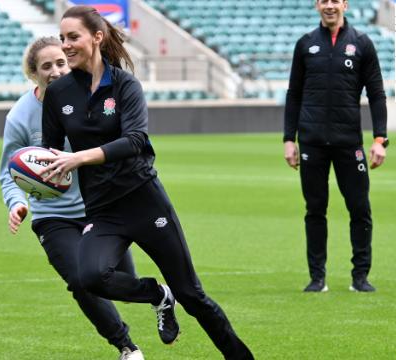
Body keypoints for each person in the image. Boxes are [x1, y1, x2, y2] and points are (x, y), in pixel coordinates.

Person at [38, 6, 254, 359]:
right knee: (89, 277)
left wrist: (78, 158)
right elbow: (51, 148)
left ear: (97, 37)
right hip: (103, 209)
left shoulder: (124, 85)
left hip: (144, 200)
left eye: (73, 37)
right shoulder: (59, 93)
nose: (66, 45)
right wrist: (43, 170)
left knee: (192, 296)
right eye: (62, 38)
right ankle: (157, 295)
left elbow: (135, 140)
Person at [0, 36, 145, 360]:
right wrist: (17, 203)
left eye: (60, 63)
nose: (54, 70)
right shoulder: (20, 117)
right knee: (82, 281)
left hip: (102, 208)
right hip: (54, 217)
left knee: (123, 284)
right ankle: (127, 347)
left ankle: (159, 295)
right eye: (45, 66)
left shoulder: (95, 100)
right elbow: (7, 173)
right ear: (33, 73)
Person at [284, 0, 387, 293]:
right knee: (315, 209)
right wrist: (288, 139)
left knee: (360, 208)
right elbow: (294, 94)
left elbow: (377, 94)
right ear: (318, 5)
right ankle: (317, 277)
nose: (330, 6)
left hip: (348, 142)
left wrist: (380, 139)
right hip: (311, 141)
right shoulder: (305, 45)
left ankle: (360, 277)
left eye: (335, 0)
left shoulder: (362, 44)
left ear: (345, 4)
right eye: (324, 1)